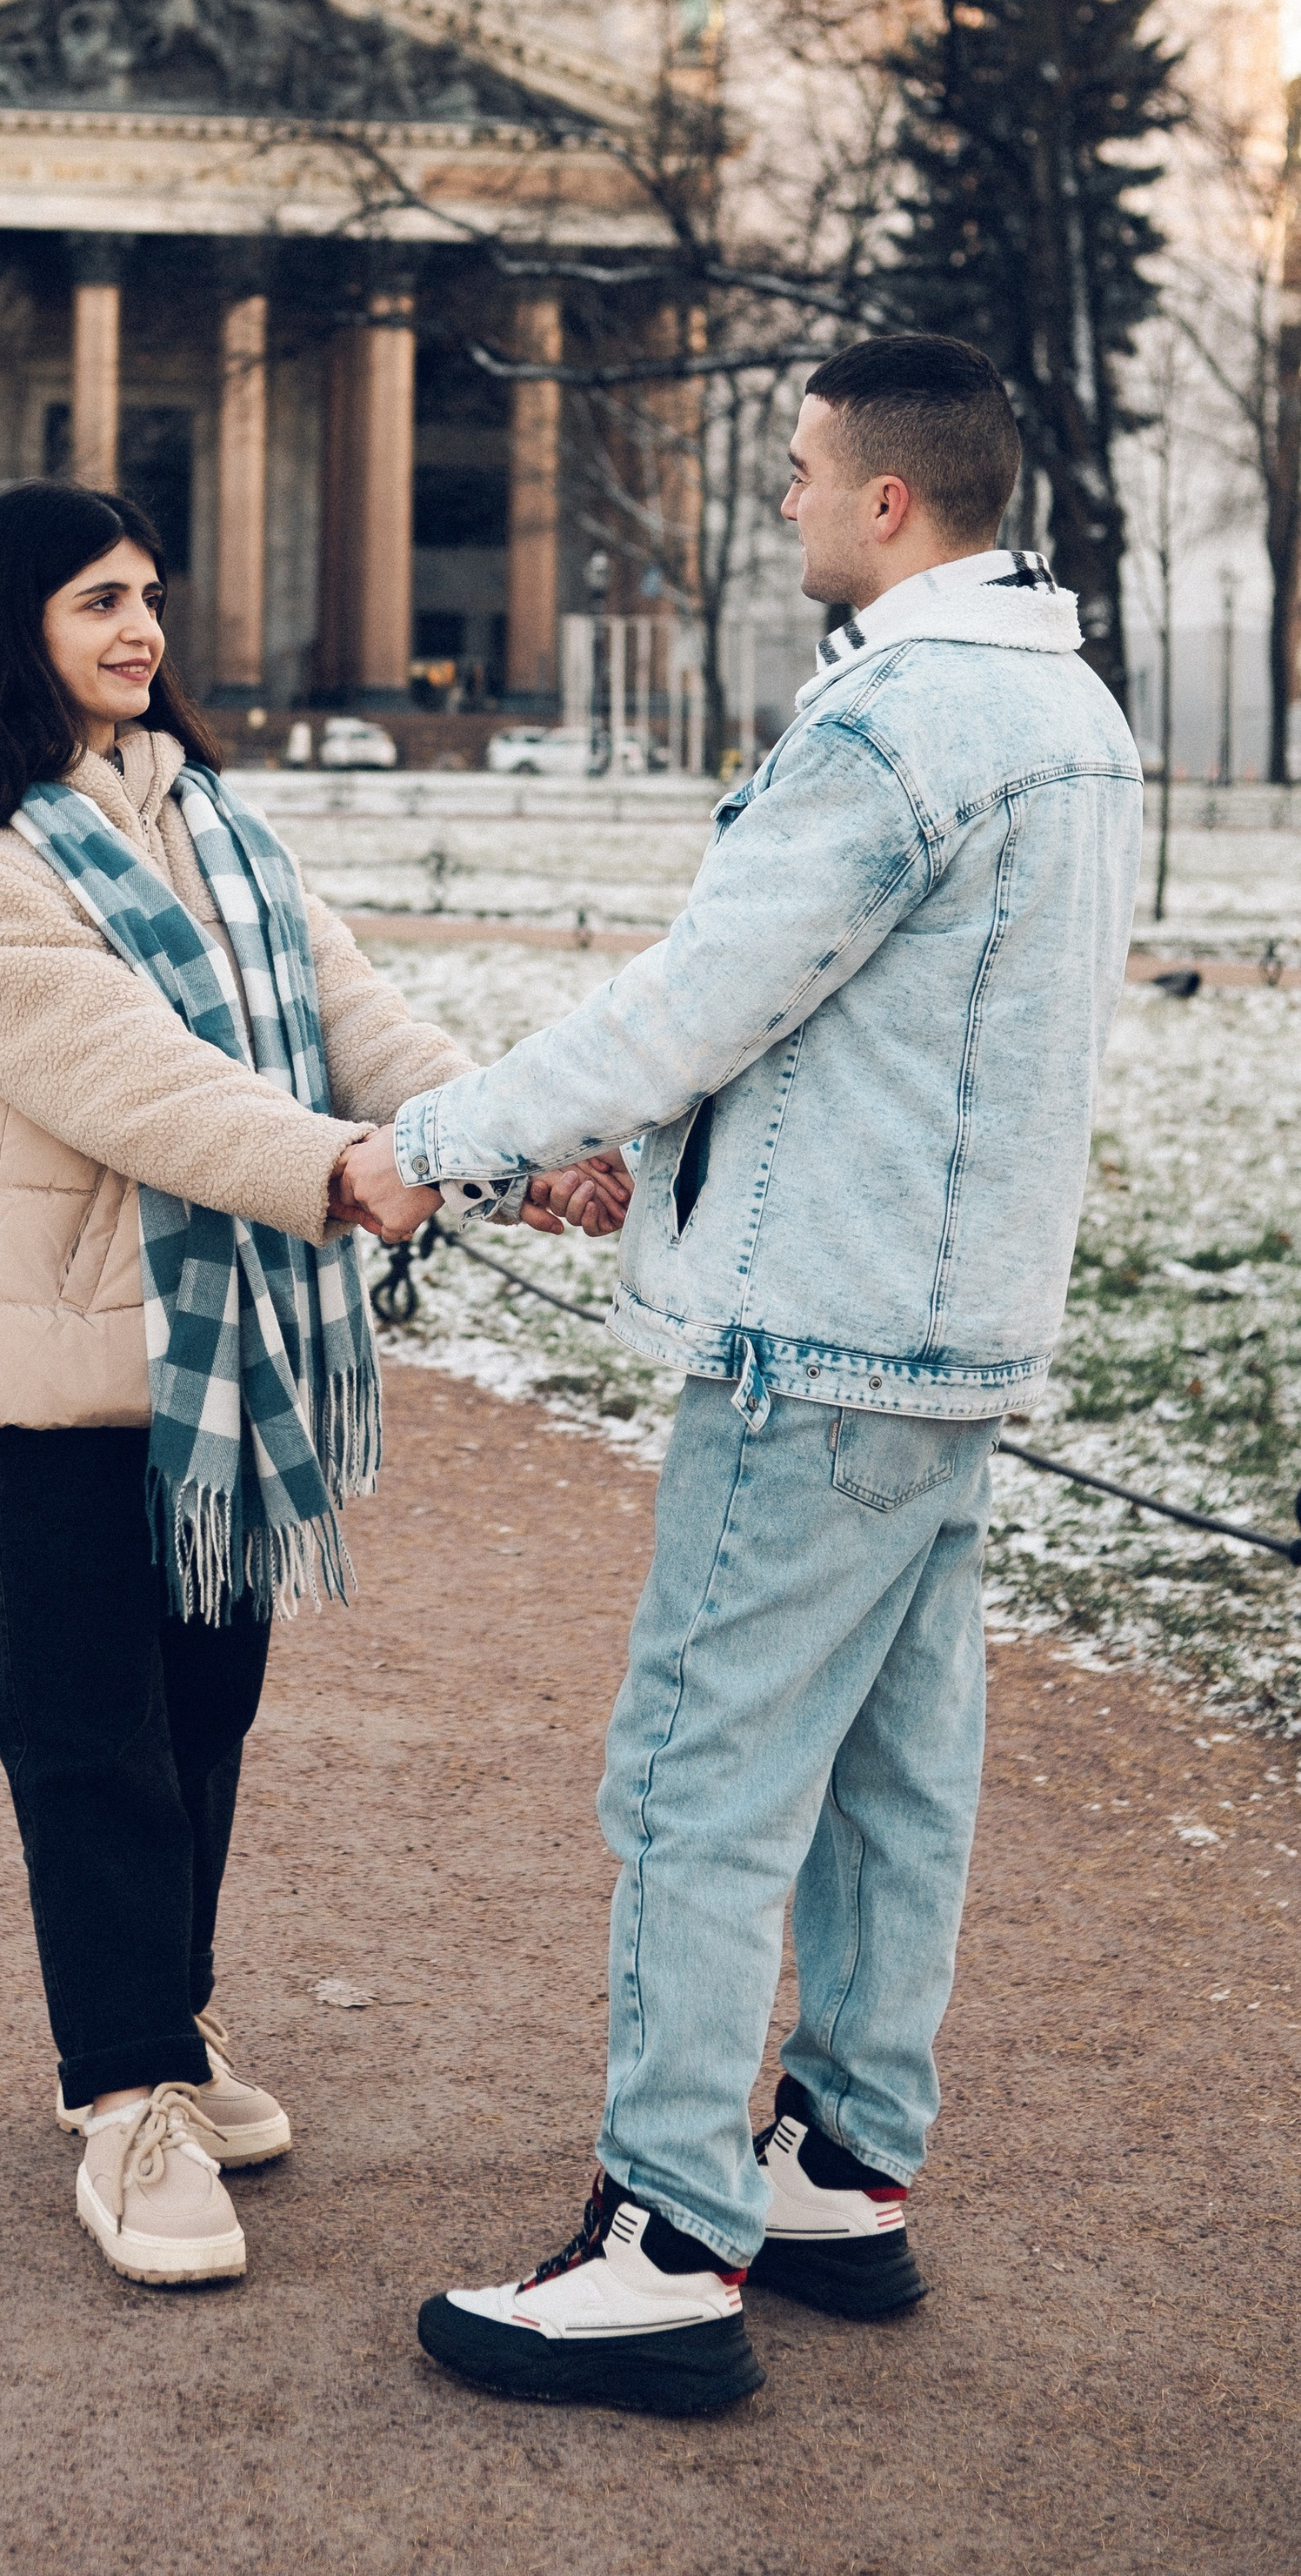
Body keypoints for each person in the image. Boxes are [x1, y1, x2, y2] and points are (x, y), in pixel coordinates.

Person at [341, 333, 1143, 2418]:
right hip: (956, 1329)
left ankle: (659, 2237)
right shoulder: (1067, 709)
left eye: (795, 473)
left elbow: (700, 998)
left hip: (815, 1335)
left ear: (887, 500)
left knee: (698, 1779)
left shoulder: (895, 724)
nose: (776, 501)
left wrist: (440, 1142)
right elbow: (872, 1028)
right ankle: (841, 2166)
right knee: (893, 1776)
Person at [0, 481, 610, 2291]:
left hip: (224, 1362)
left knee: (201, 1723)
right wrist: (343, 1172)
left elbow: (355, 1014)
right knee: (88, 1739)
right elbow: (127, 1077)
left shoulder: (205, 815)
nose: (139, 630)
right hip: (56, 1359)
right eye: (100, 598)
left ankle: (160, 2027)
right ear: (10, 613)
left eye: (152, 598)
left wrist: (512, 1146)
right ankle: (119, 2096)